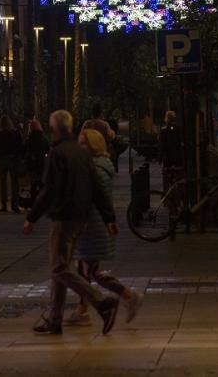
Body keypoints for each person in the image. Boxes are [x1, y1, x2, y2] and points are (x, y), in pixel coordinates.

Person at [23, 110, 120, 336]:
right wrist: (109, 218)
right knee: (61, 268)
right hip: (81, 218)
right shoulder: (82, 153)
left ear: (54, 129)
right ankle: (55, 319)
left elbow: (50, 189)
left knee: (59, 268)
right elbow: (96, 189)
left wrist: (32, 217)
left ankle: (102, 302)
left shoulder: (58, 153)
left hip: (63, 217)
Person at [66, 128, 142, 328]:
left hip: (93, 226)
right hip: (93, 224)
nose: (80, 147)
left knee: (91, 271)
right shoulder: (99, 166)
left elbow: (89, 197)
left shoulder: (96, 169)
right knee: (86, 270)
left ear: (93, 146)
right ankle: (82, 310)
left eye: (83, 143)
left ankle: (127, 295)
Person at [0, 116, 25, 213]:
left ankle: (4, 204)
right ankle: (15, 204)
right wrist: (20, 157)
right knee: (14, 183)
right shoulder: (15, 133)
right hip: (14, 159)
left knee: (3, 183)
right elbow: (20, 146)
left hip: (3, 159)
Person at [25, 119, 49, 201]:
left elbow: (25, 151)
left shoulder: (29, 140)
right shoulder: (44, 139)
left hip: (32, 164)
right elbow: (48, 149)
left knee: (33, 184)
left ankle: (33, 201)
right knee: (42, 184)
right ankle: (43, 201)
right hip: (42, 164)